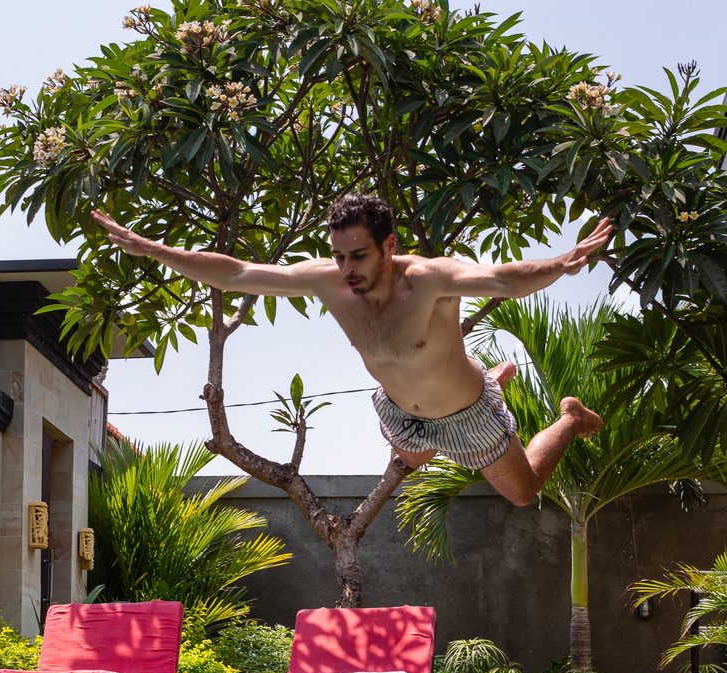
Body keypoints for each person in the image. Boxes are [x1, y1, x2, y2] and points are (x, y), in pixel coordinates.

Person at [91, 194, 611, 506]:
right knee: (410, 455)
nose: (347, 269)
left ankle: (568, 418)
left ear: (389, 245)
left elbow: (503, 279)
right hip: (398, 408)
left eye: (359, 255)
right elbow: (237, 272)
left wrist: (562, 263)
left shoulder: (432, 279)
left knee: (522, 494)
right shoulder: (330, 280)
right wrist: (158, 251)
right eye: (338, 255)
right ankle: (487, 377)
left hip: (466, 413)